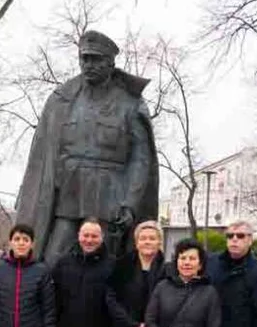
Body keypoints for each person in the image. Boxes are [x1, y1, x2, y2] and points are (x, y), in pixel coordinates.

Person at [15, 30, 159, 262]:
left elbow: (140, 161)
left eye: (96, 59)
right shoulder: (62, 99)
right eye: (85, 58)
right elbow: (44, 154)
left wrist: (130, 204)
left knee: (105, 267)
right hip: (69, 195)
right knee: (53, 260)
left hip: (110, 199)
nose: (89, 65)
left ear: (111, 63)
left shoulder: (130, 103)